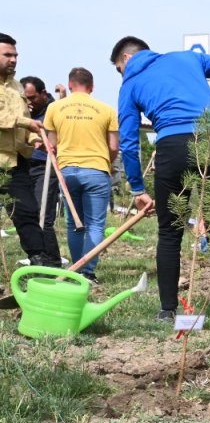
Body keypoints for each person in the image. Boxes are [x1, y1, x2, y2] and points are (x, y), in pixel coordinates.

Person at [113, 35, 210, 329]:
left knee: (169, 232)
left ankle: (167, 311)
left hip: (172, 147)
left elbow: (128, 142)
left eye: (119, 69)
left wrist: (138, 188)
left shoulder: (130, 83)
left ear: (126, 59)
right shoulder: (188, 58)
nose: (122, 75)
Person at [43, 67, 120, 282]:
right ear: (92, 87)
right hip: (97, 169)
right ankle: (88, 272)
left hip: (67, 172)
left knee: (74, 224)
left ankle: (76, 271)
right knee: (95, 224)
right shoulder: (106, 110)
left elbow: (52, 145)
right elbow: (114, 146)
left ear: (69, 85)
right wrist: (108, 162)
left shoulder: (55, 108)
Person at [1, 34, 56, 268]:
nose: (13, 60)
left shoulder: (17, 87)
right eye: (7, 55)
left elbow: (24, 119)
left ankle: (40, 265)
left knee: (27, 213)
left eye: (15, 55)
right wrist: (26, 124)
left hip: (16, 162)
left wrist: (36, 138)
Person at [20, 75, 62, 264]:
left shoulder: (53, 110)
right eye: (25, 99)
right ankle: (38, 258)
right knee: (27, 214)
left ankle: (53, 261)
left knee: (42, 215)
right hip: (25, 167)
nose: (29, 103)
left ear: (43, 94)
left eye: (32, 98)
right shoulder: (23, 111)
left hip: (46, 167)